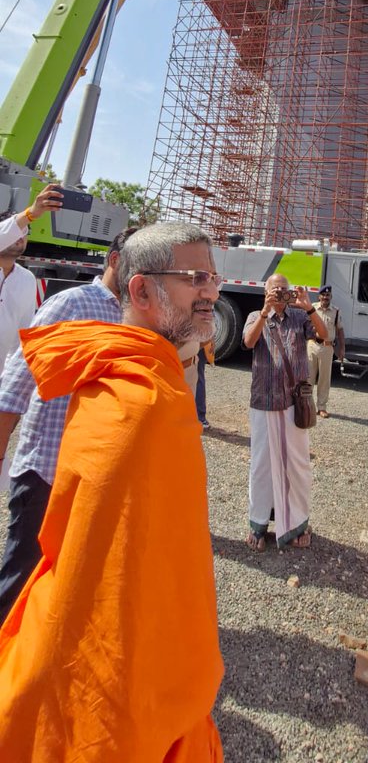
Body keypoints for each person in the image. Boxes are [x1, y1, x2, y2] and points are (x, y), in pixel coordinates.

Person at [0, 222, 224, 762]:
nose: (213, 291)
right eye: (195, 278)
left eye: (213, 277)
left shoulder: (144, 370)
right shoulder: (140, 398)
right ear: (142, 290)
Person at [0, 228, 135, 623]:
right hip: (47, 466)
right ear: (115, 261)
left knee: (72, 572)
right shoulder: (73, 305)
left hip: (94, 473)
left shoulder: (135, 318)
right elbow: (16, 384)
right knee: (23, 571)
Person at [242, 274, 328, 551]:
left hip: (293, 402)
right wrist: (265, 313)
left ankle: (299, 523)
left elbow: (325, 336)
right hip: (264, 400)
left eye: (283, 289)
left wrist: (309, 307)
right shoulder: (257, 315)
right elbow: (248, 343)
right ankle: (258, 524)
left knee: (298, 465)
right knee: (262, 465)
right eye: (274, 289)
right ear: (265, 292)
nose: (279, 293)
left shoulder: (299, 316)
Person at [0, 183, 63, 372]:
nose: (21, 235)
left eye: (25, 232)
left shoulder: (26, 279)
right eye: (17, 229)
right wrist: (30, 215)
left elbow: (22, 336)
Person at [307, 284, 345, 417]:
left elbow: (340, 330)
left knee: (324, 379)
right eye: (323, 295)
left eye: (327, 295)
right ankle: (307, 405)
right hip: (312, 346)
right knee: (308, 377)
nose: (325, 297)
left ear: (331, 297)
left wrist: (342, 348)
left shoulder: (336, 311)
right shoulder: (312, 308)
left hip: (327, 347)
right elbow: (305, 326)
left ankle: (321, 407)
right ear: (319, 296)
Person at [196, 338, 215, 429]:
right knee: (198, 378)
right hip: (203, 341)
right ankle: (200, 417)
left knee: (196, 378)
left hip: (193, 339)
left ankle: (199, 417)